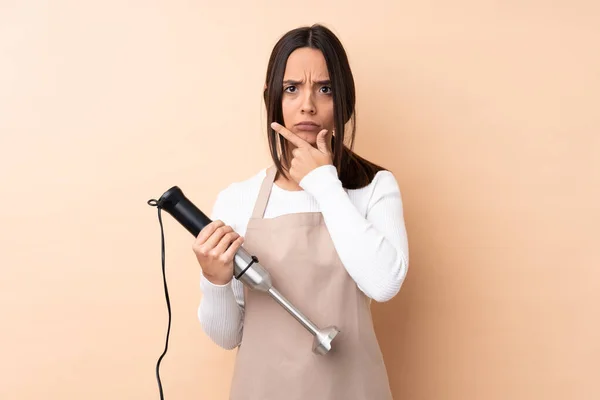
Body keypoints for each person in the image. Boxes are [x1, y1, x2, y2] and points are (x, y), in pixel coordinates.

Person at [193, 23, 409, 400]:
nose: (307, 104)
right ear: (272, 98)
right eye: (292, 88)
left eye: (324, 89)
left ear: (344, 101)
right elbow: (227, 337)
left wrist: (325, 184)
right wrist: (215, 282)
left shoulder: (375, 187)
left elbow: (384, 284)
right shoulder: (237, 200)